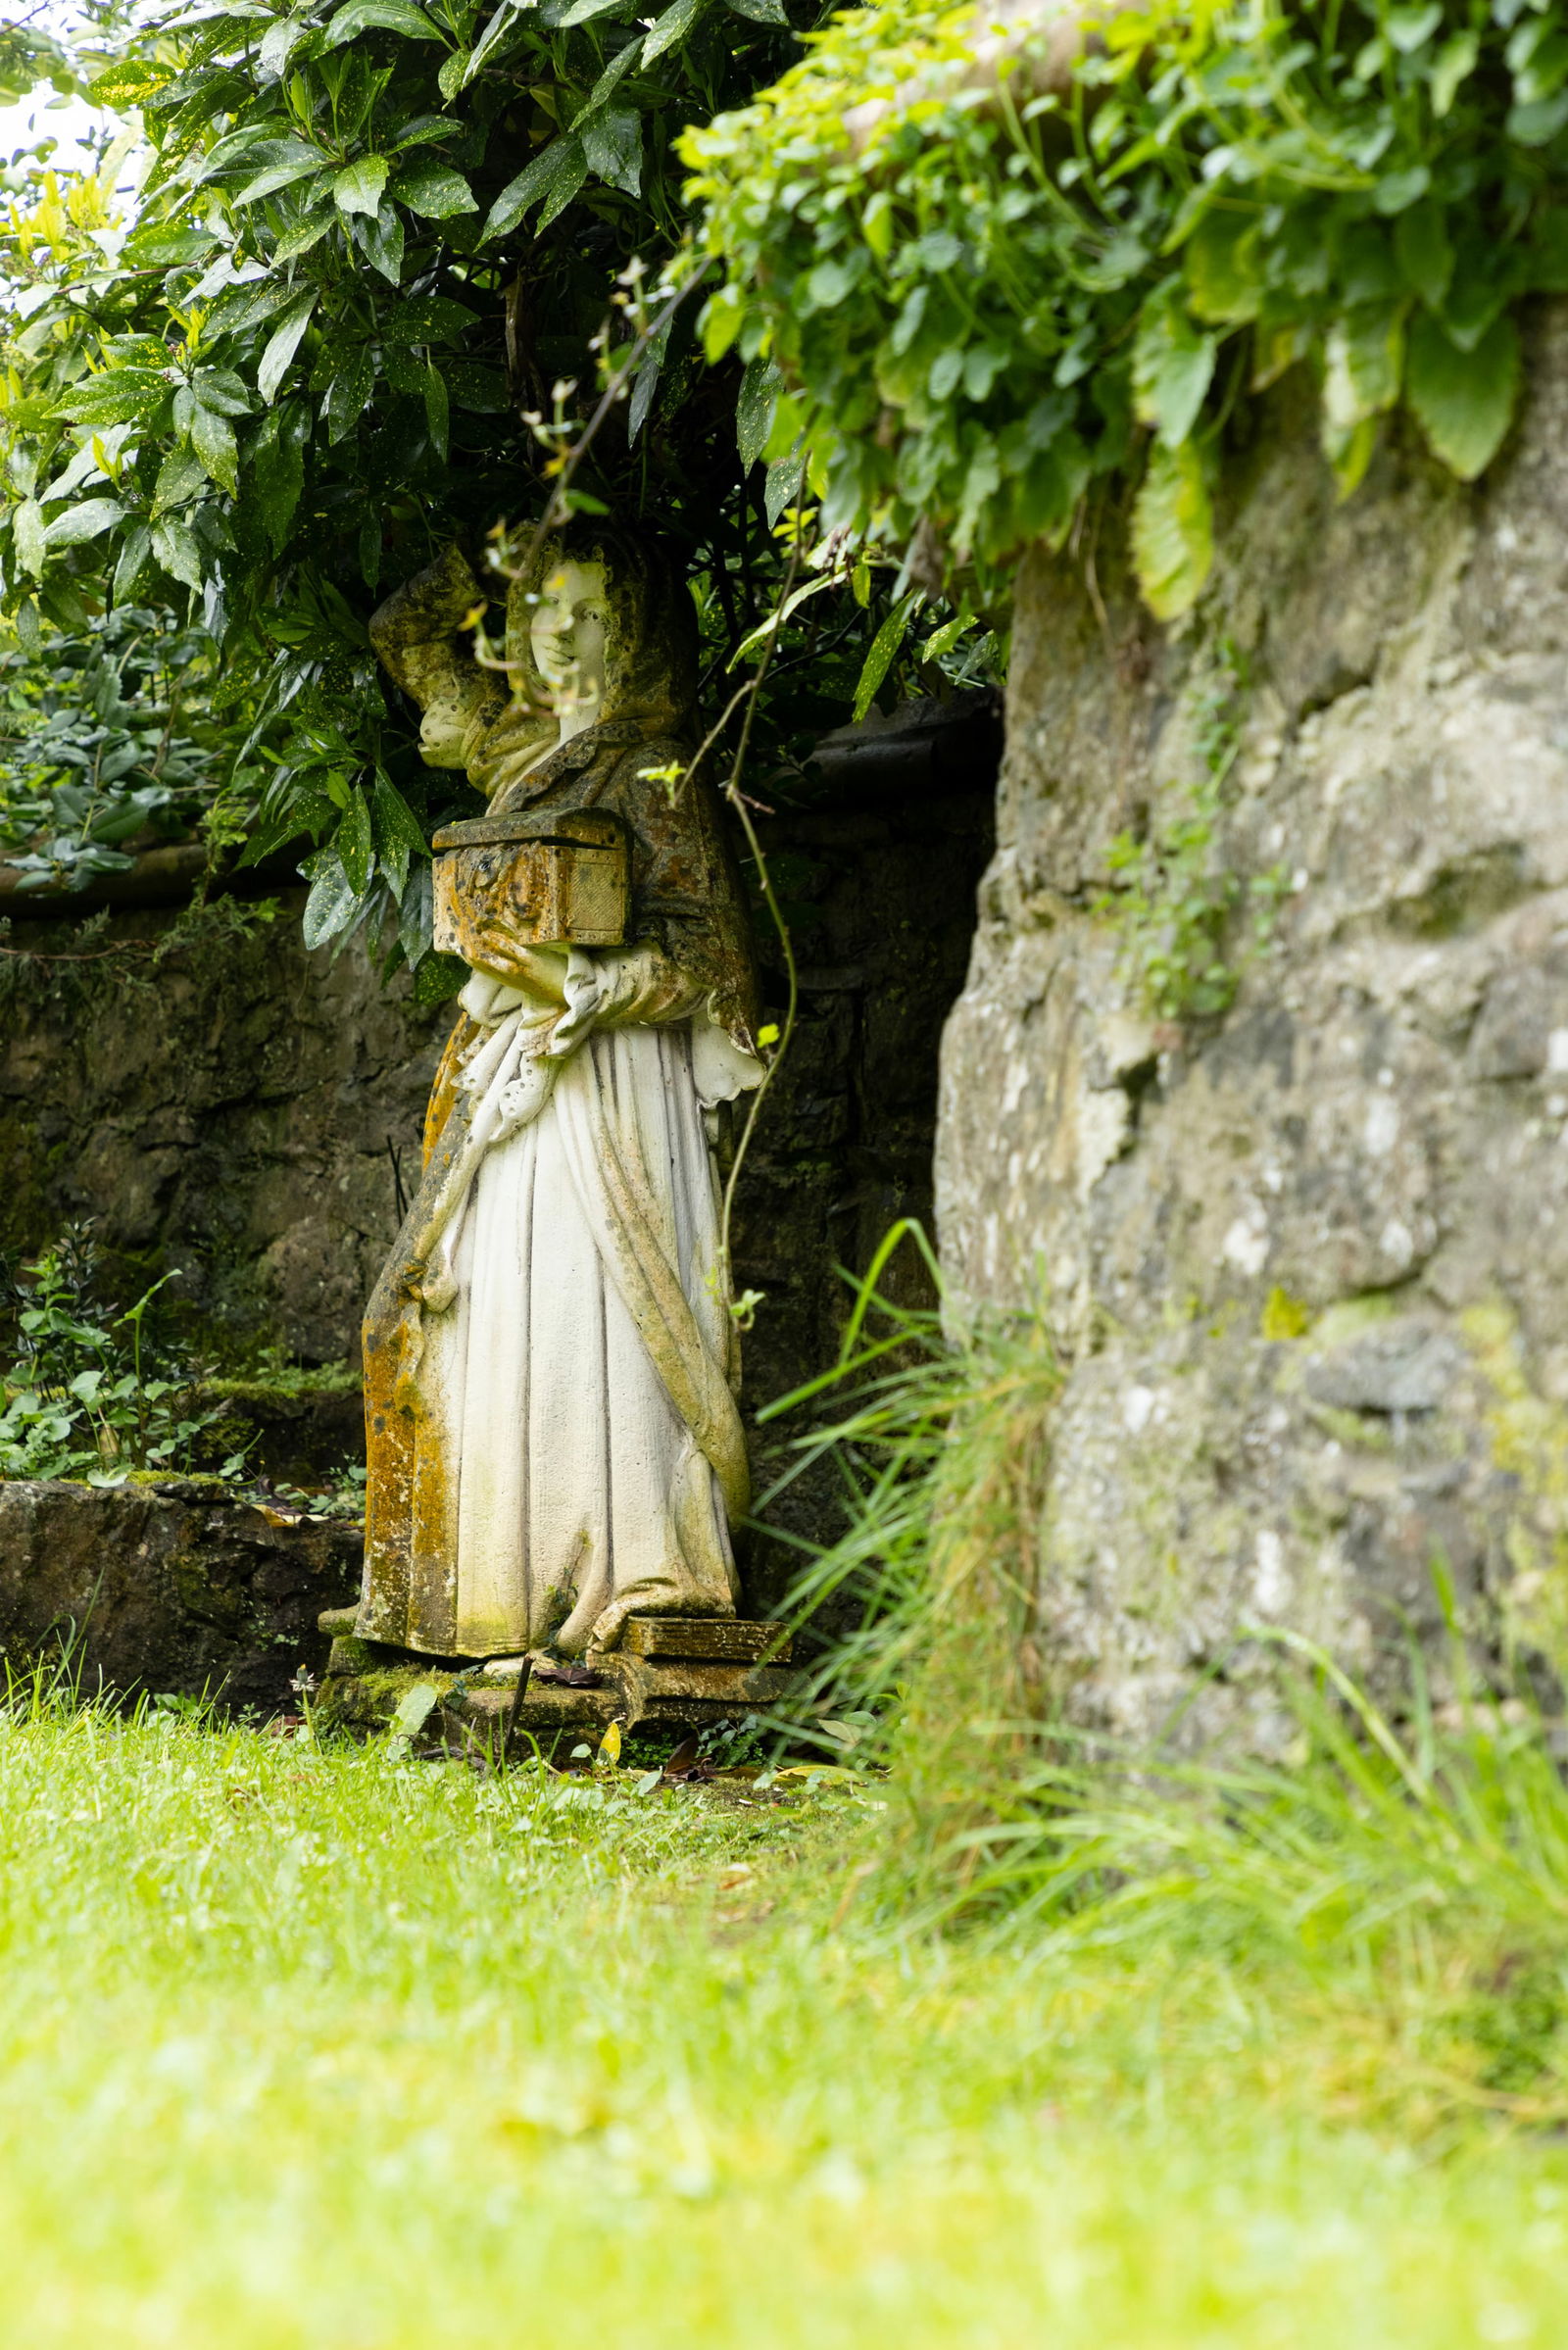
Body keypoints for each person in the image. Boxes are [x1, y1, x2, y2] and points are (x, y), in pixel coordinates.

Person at [356, 522, 761, 1660]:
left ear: (635, 633)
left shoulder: (653, 770)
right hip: (518, 1078)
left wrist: (573, 979)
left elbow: (714, 963)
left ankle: (623, 1562)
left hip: (611, 1087)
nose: (561, 634)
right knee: (503, 1316)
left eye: (591, 613)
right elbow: (403, 635)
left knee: (602, 1329)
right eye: (544, 609)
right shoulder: (524, 757)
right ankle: (510, 1584)